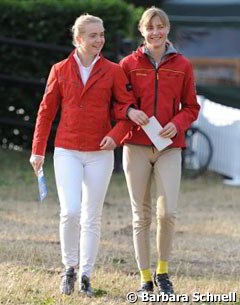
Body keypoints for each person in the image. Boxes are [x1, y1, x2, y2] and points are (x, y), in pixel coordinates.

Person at [29, 14, 144, 296]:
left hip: (99, 153)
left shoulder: (114, 71)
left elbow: (126, 111)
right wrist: (37, 150)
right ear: (78, 39)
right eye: (93, 35)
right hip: (67, 149)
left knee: (91, 216)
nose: (99, 40)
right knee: (70, 211)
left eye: (101, 34)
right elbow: (46, 111)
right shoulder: (59, 69)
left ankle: (85, 275)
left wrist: (115, 136)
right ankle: (69, 267)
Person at [120, 7, 200, 295]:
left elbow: (192, 107)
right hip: (136, 146)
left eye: (160, 26)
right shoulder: (128, 64)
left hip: (169, 149)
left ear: (168, 29)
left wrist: (177, 124)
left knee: (168, 213)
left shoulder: (183, 65)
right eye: (150, 27)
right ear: (141, 31)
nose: (155, 31)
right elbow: (117, 102)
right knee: (141, 216)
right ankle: (145, 279)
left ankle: (163, 273)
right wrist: (129, 111)